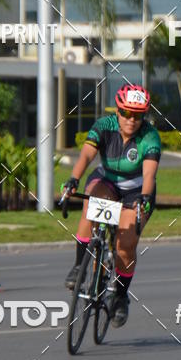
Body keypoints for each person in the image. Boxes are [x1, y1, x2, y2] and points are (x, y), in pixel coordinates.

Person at [62, 84, 161, 328]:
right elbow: (86, 155)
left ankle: (120, 296)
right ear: (117, 111)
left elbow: (149, 174)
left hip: (137, 191)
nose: (131, 119)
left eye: (138, 115)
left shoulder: (149, 136)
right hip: (106, 181)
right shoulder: (104, 125)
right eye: (126, 113)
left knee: (125, 245)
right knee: (91, 207)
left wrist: (145, 197)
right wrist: (73, 179)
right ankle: (79, 266)